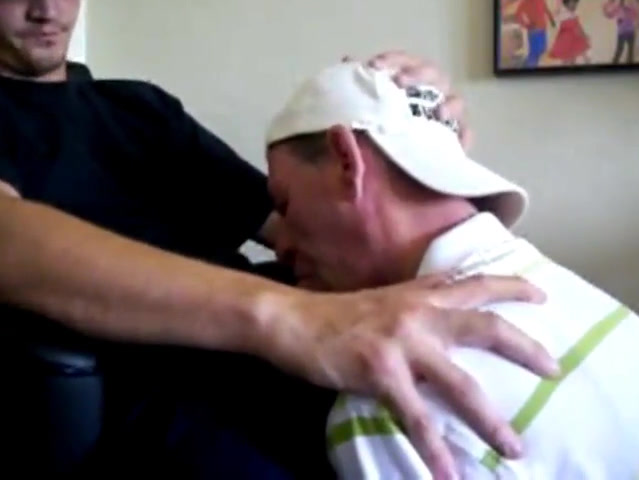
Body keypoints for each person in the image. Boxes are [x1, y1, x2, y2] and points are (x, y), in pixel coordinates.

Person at [0, 0, 559, 477]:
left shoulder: (139, 110)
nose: (47, 9)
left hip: (287, 355)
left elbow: (300, 227)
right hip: (147, 400)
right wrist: (293, 320)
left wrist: (409, 134)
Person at [265, 61, 639, 479]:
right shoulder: (602, 312)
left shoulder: (394, 404)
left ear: (346, 162)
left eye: (284, 204)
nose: (280, 246)